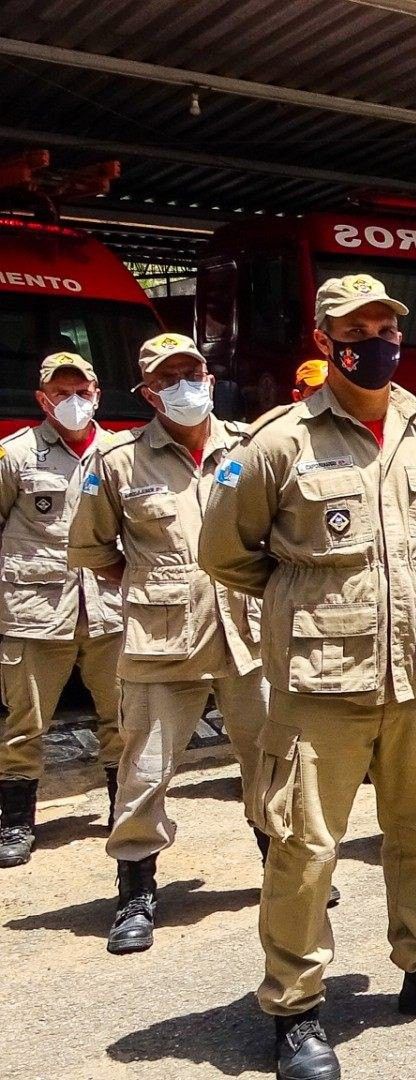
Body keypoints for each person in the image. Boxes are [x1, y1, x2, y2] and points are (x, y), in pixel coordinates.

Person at [200, 274, 416, 1080]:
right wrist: (308, 602)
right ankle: (294, 1008)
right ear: (326, 343)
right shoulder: (278, 442)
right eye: (358, 329)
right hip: (320, 683)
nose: (379, 341)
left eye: (387, 326)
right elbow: (225, 553)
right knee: (304, 847)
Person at [67, 334, 266, 953]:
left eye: (192, 372)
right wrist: (149, 585)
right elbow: (90, 547)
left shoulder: (250, 446)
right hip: (161, 639)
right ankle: (135, 890)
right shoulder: (119, 460)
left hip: (248, 633)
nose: (184, 386)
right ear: (148, 392)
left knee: (273, 757)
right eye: (168, 378)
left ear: (209, 377)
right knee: (145, 769)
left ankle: (282, 870)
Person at [0, 352, 128, 869]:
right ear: (42, 399)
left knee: (123, 717)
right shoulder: (15, 456)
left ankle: (126, 812)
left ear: (97, 393)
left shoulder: (123, 452)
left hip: (111, 607)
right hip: (33, 608)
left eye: (81, 390)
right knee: (22, 721)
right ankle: (14, 822)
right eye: (60, 392)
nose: (72, 401)